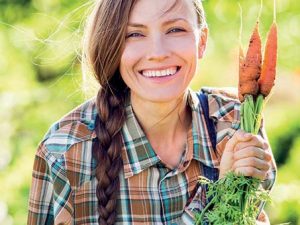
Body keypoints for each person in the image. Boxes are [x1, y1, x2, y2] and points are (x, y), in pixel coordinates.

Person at [27, 0, 276, 224]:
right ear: (111, 47)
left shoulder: (237, 124)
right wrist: (217, 195)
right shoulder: (65, 152)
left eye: (175, 29)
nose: (158, 53)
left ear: (201, 42)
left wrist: (236, 191)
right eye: (134, 34)